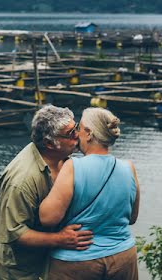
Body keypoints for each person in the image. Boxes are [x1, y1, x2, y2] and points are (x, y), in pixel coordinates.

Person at [0, 105, 95, 280]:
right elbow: (15, 233)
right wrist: (60, 239)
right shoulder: (22, 181)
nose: (77, 135)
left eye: (76, 128)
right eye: (70, 134)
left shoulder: (61, 158)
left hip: (46, 262)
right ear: (49, 143)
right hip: (19, 271)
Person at [38, 107, 140, 280]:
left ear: (89, 133)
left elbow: (48, 218)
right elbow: (132, 217)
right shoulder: (128, 167)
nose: (76, 133)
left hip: (78, 261)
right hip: (123, 257)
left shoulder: (72, 167)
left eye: (79, 128)